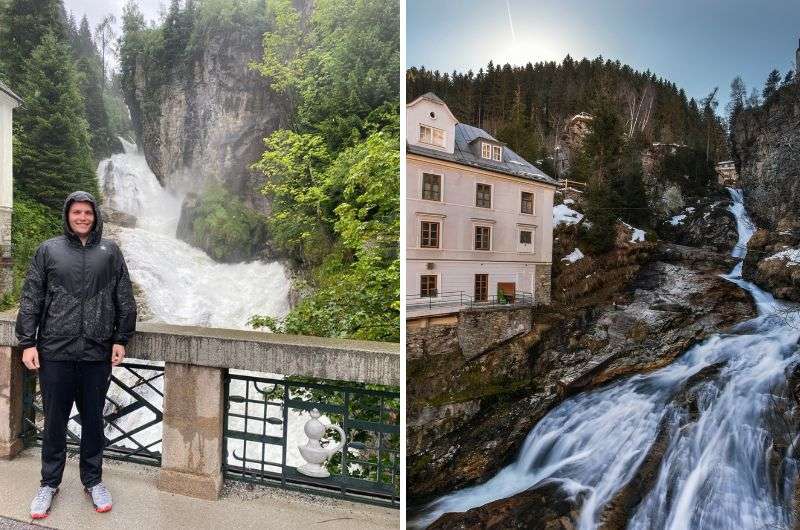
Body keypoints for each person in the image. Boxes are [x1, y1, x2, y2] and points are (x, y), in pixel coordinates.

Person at [15, 191, 137, 519]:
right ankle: (48, 484)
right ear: (68, 215)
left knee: (94, 421)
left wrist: (120, 338)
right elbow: (32, 298)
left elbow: (123, 296)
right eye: (76, 212)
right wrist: (28, 342)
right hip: (55, 351)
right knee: (54, 421)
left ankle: (93, 480)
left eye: (87, 212)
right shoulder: (48, 250)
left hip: (96, 353)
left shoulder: (110, 252)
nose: (82, 217)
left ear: (95, 216)